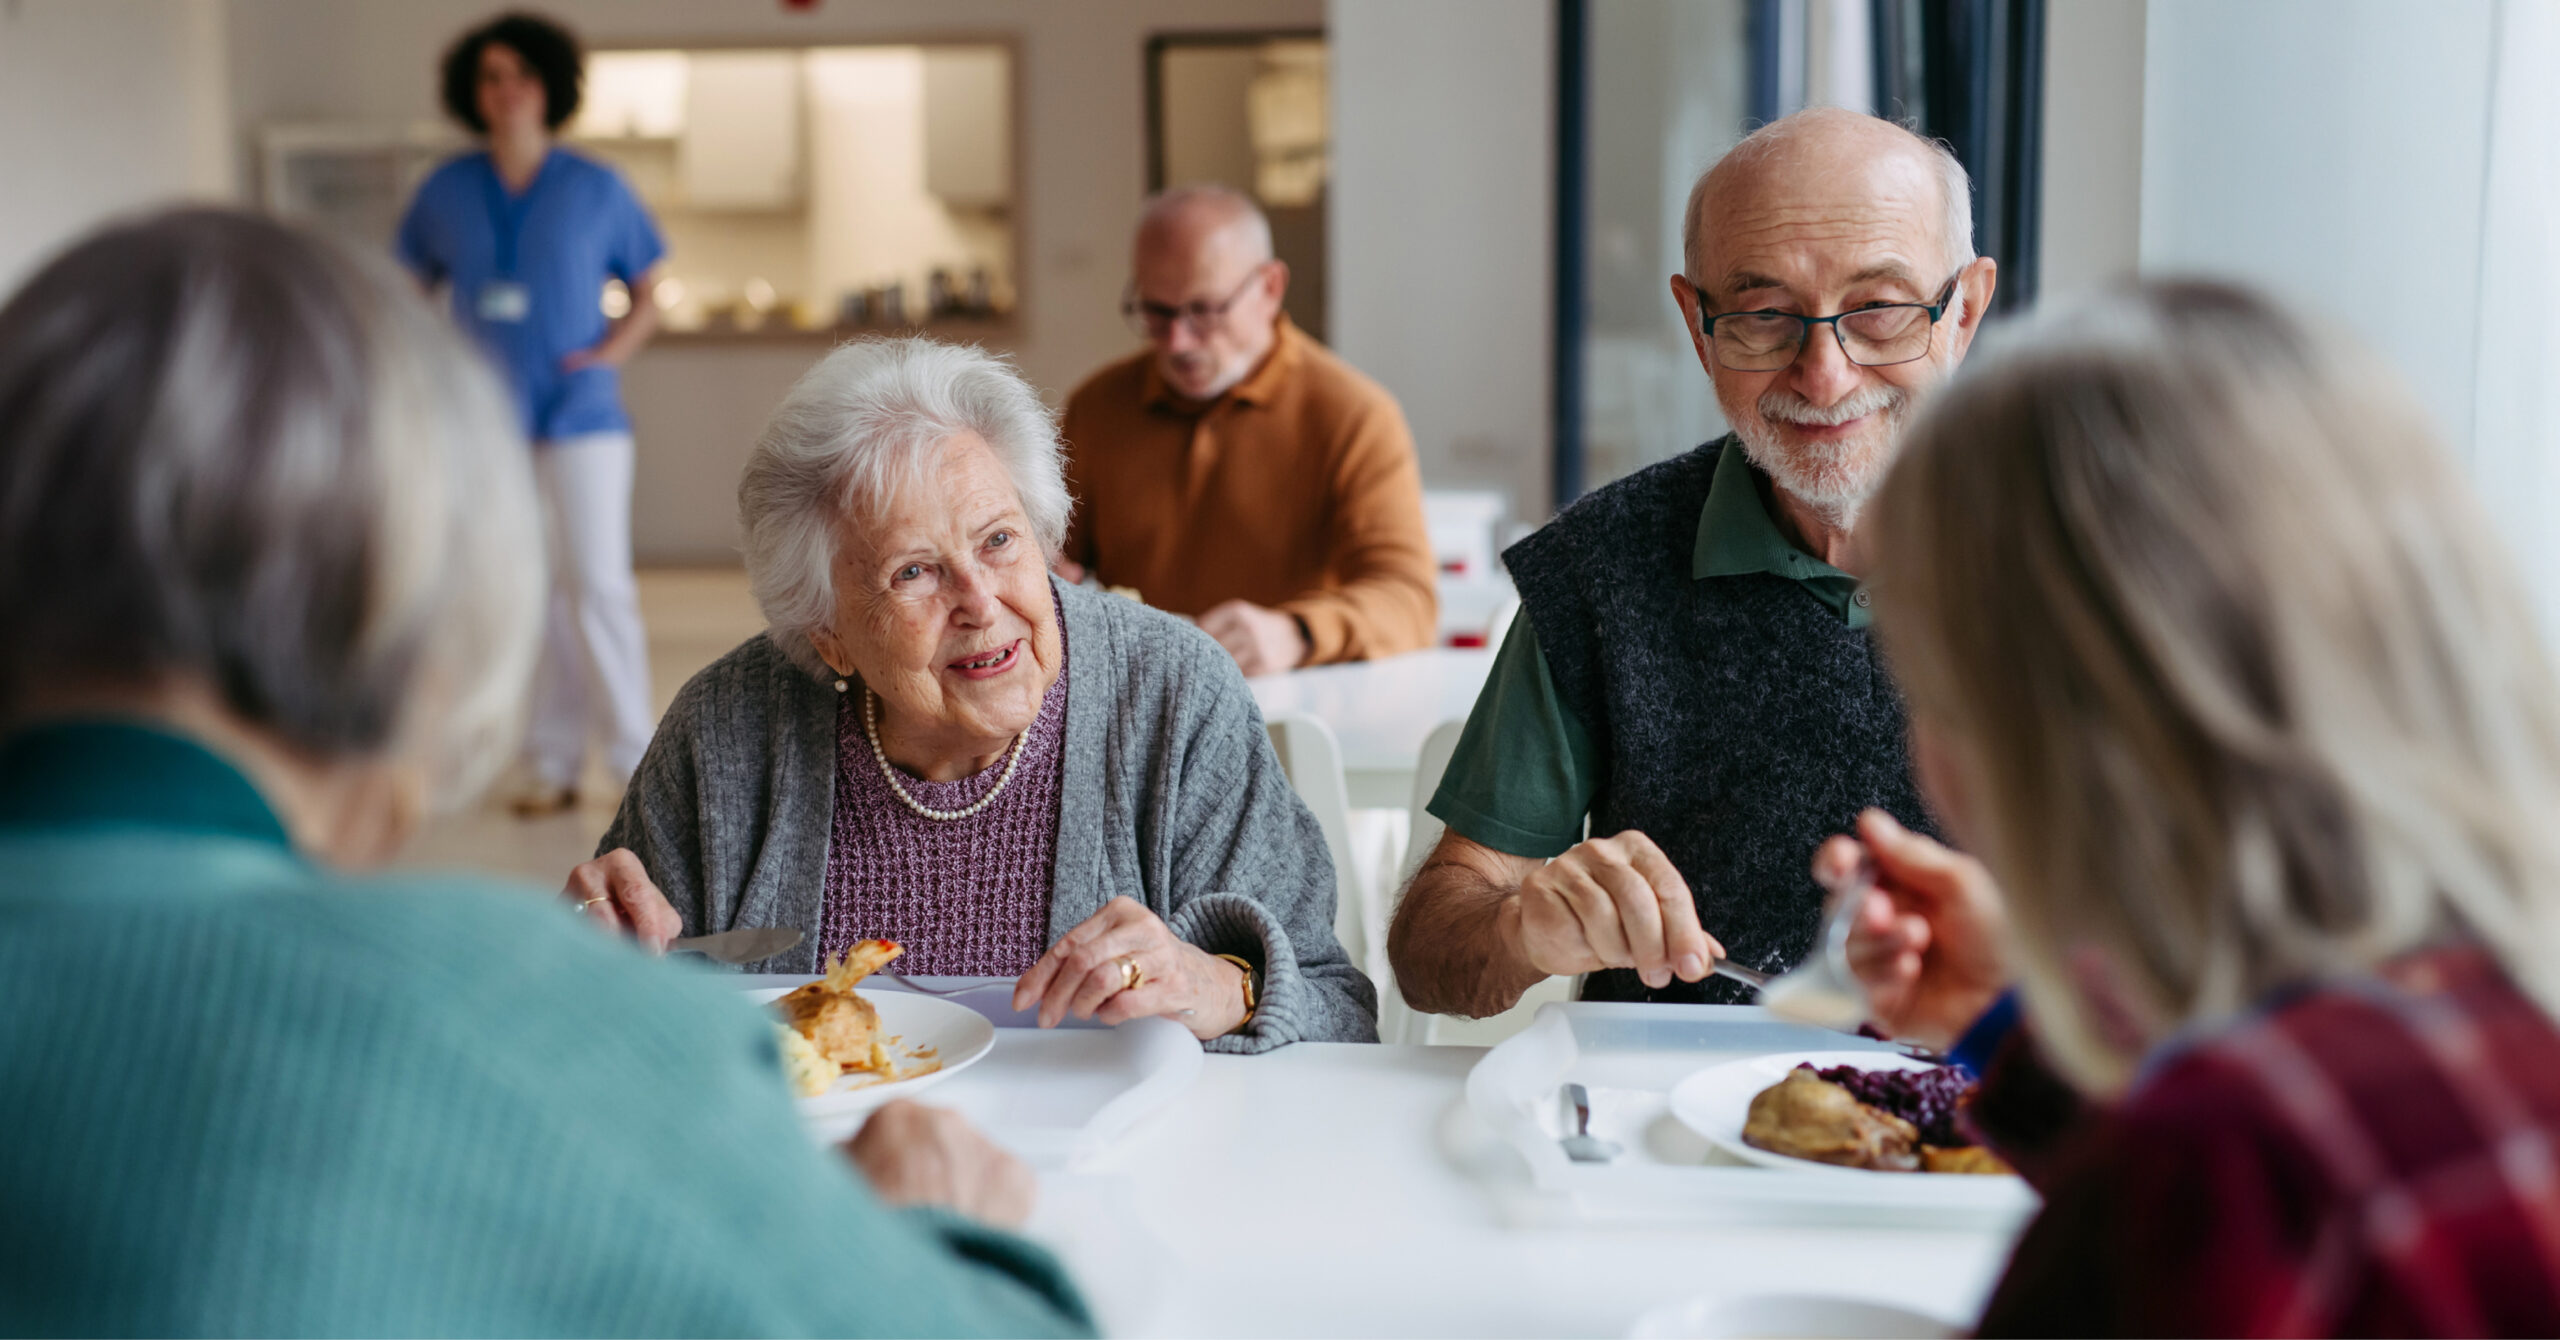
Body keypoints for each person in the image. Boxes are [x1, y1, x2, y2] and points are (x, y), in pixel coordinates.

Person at [0, 209, 1088, 1336]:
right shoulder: (481, 1015)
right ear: (412, 618)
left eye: (1000, 541)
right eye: (916, 569)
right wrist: (947, 1238)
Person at [1831, 282, 2560, 1336]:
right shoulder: (2481, 1016)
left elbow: (2210, 1193)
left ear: (2066, 731)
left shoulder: (2226, 1176)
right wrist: (1997, 1023)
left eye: (1935, 684)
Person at [565, 336, 1377, 1049]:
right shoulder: (726, 731)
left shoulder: (1172, 697)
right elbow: (599, 1031)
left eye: (999, 541)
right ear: (828, 635)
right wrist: (581, 955)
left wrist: (1216, 990)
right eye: (913, 572)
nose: (983, 604)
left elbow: (1338, 1012)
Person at [1388, 108, 1996, 1015]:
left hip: (1993, 1122)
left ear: (1966, 311)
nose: (1824, 375)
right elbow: (1432, 948)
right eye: (1762, 316)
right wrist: (1525, 927)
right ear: (1696, 322)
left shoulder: (2098, 564)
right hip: (1659, 1131)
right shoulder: (1604, 569)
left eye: (1877, 310)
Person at [396, 11, 666, 817]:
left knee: (600, 585)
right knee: (537, 590)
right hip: (492, 418)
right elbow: (409, 288)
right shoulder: (446, 190)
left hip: (583, 413)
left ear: (550, 87)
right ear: (469, 93)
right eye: (491, 77)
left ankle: (634, 761)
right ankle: (550, 762)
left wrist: (607, 356)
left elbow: (648, 293)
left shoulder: (596, 187)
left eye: (521, 76)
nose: (506, 91)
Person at [1055, 186, 1437, 676]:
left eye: (1205, 310)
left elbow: (1409, 601)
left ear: (1271, 289)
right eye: (1157, 312)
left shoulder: (1354, 415)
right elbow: (1052, 563)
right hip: (1134, 705)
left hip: (1291, 717)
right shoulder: (1097, 407)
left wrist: (1296, 633)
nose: (1178, 342)